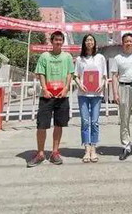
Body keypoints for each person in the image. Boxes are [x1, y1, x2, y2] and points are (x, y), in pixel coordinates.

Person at [28, 31, 74, 168]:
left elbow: (69, 74)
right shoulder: (44, 56)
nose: (58, 42)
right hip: (46, 96)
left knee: (59, 124)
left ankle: (55, 152)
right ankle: (40, 153)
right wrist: (44, 89)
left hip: (61, 96)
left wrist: (66, 88)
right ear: (52, 41)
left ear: (63, 42)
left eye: (60, 40)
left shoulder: (67, 57)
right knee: (41, 125)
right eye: (56, 40)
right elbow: (41, 73)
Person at [74, 34, 107, 163]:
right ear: (84, 43)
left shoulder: (100, 58)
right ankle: (86, 149)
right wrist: (80, 84)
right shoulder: (79, 59)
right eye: (87, 40)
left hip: (97, 95)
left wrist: (102, 85)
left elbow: (104, 76)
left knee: (94, 122)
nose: (89, 42)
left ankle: (93, 148)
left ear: (94, 43)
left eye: (91, 40)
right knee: (85, 121)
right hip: (83, 94)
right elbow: (75, 76)